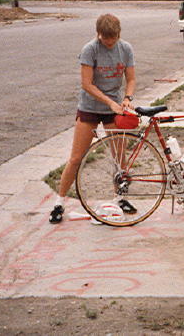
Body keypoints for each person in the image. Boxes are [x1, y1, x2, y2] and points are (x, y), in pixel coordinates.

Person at [49, 14, 137, 224]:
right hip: (90, 107)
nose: (109, 42)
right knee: (76, 157)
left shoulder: (125, 49)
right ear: (98, 34)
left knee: (119, 157)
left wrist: (127, 98)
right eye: (105, 38)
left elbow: (131, 78)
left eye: (113, 38)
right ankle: (59, 202)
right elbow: (86, 84)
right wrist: (109, 102)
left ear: (118, 34)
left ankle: (120, 197)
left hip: (114, 107)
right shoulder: (90, 49)